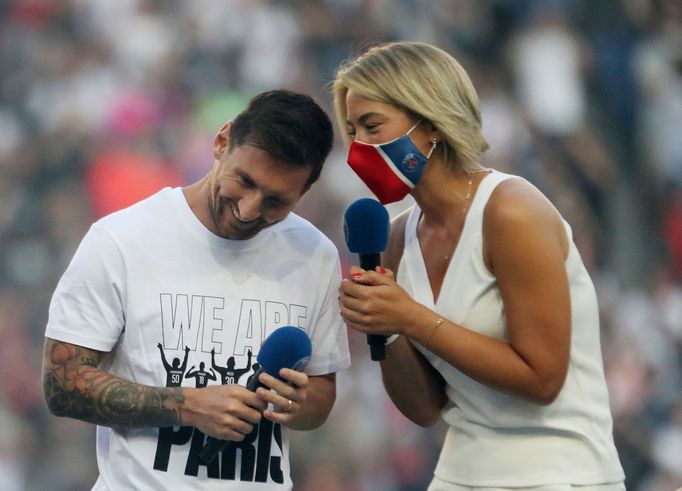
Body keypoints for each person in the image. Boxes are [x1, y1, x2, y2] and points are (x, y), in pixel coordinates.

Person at [334, 41, 625, 490]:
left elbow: (543, 377)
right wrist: (385, 327)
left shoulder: (511, 211)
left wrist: (411, 317)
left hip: (560, 471)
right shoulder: (395, 239)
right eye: (352, 131)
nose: (360, 147)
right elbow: (425, 409)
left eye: (373, 126)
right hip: (459, 473)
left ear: (430, 123)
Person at [42, 89, 351, 490]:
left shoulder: (315, 257)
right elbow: (61, 385)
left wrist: (296, 402)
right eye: (244, 181)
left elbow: (321, 398)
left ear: (305, 191)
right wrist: (188, 406)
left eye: (277, 201)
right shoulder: (120, 240)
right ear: (222, 141)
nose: (249, 210)